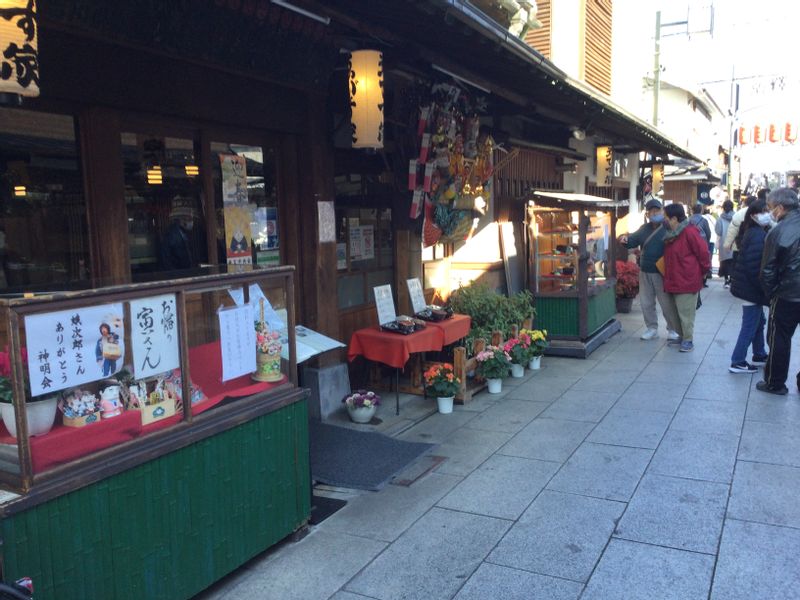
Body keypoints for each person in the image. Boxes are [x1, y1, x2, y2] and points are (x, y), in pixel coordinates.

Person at [618, 199, 681, 341]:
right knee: (646, 302)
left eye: (657, 210)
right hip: (645, 270)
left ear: (662, 211)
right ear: (647, 213)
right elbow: (632, 241)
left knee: (666, 302)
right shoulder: (644, 229)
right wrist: (623, 238)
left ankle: (672, 329)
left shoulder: (668, 226)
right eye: (652, 211)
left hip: (662, 271)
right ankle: (651, 328)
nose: (654, 213)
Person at [757, 188, 800, 394]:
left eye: (770, 207)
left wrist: (772, 292)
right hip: (788, 290)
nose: (769, 211)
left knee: (779, 338)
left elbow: (767, 270)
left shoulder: (778, 231)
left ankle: (775, 382)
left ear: (780, 208)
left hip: (787, 294)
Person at [728, 199, 771, 373]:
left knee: (759, 321)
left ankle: (759, 353)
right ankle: (737, 361)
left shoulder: (755, 231)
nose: (768, 214)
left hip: (747, 287)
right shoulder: (757, 235)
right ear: (754, 215)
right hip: (750, 289)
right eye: (764, 211)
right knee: (750, 324)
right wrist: (764, 290)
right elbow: (755, 268)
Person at [662, 203, 711, 352]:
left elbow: (703, 253)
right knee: (673, 312)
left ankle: (688, 339)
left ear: (674, 218)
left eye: (666, 218)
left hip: (687, 279)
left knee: (686, 313)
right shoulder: (671, 234)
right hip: (673, 278)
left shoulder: (690, 232)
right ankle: (682, 336)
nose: (664, 220)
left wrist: (704, 272)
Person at [160, 206, 197, 271]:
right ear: (182, 220)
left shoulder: (185, 233)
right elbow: (167, 260)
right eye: (190, 219)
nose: (192, 222)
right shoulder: (172, 235)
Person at [716, 200, 736, 287]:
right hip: (734, 242)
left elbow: (718, 231)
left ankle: (726, 280)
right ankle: (732, 279)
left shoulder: (720, 218)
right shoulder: (736, 217)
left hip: (724, 242)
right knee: (733, 261)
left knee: (724, 261)